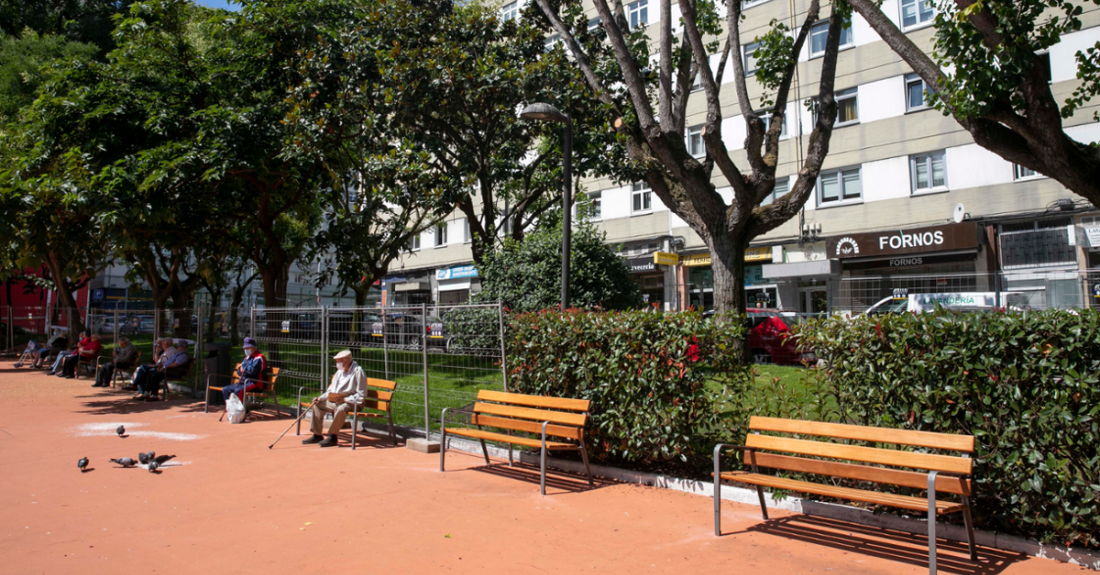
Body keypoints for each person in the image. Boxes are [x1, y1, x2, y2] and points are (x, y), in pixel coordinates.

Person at [302, 350, 366, 447]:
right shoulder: (339, 372)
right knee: (317, 404)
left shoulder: (358, 372)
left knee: (341, 409)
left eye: (339, 361)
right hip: (336, 400)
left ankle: (333, 436)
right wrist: (320, 398)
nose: (337, 364)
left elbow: (361, 395)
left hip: (352, 402)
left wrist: (345, 400)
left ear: (347, 360)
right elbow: (330, 390)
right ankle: (317, 434)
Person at [221, 337, 266, 403]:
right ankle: (231, 409)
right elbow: (239, 372)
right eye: (245, 348)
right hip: (243, 382)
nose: (245, 350)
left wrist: (243, 369)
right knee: (225, 389)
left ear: (253, 348)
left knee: (238, 391)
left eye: (247, 348)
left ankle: (243, 411)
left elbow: (252, 371)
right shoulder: (246, 358)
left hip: (255, 383)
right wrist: (241, 369)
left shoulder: (259, 357)